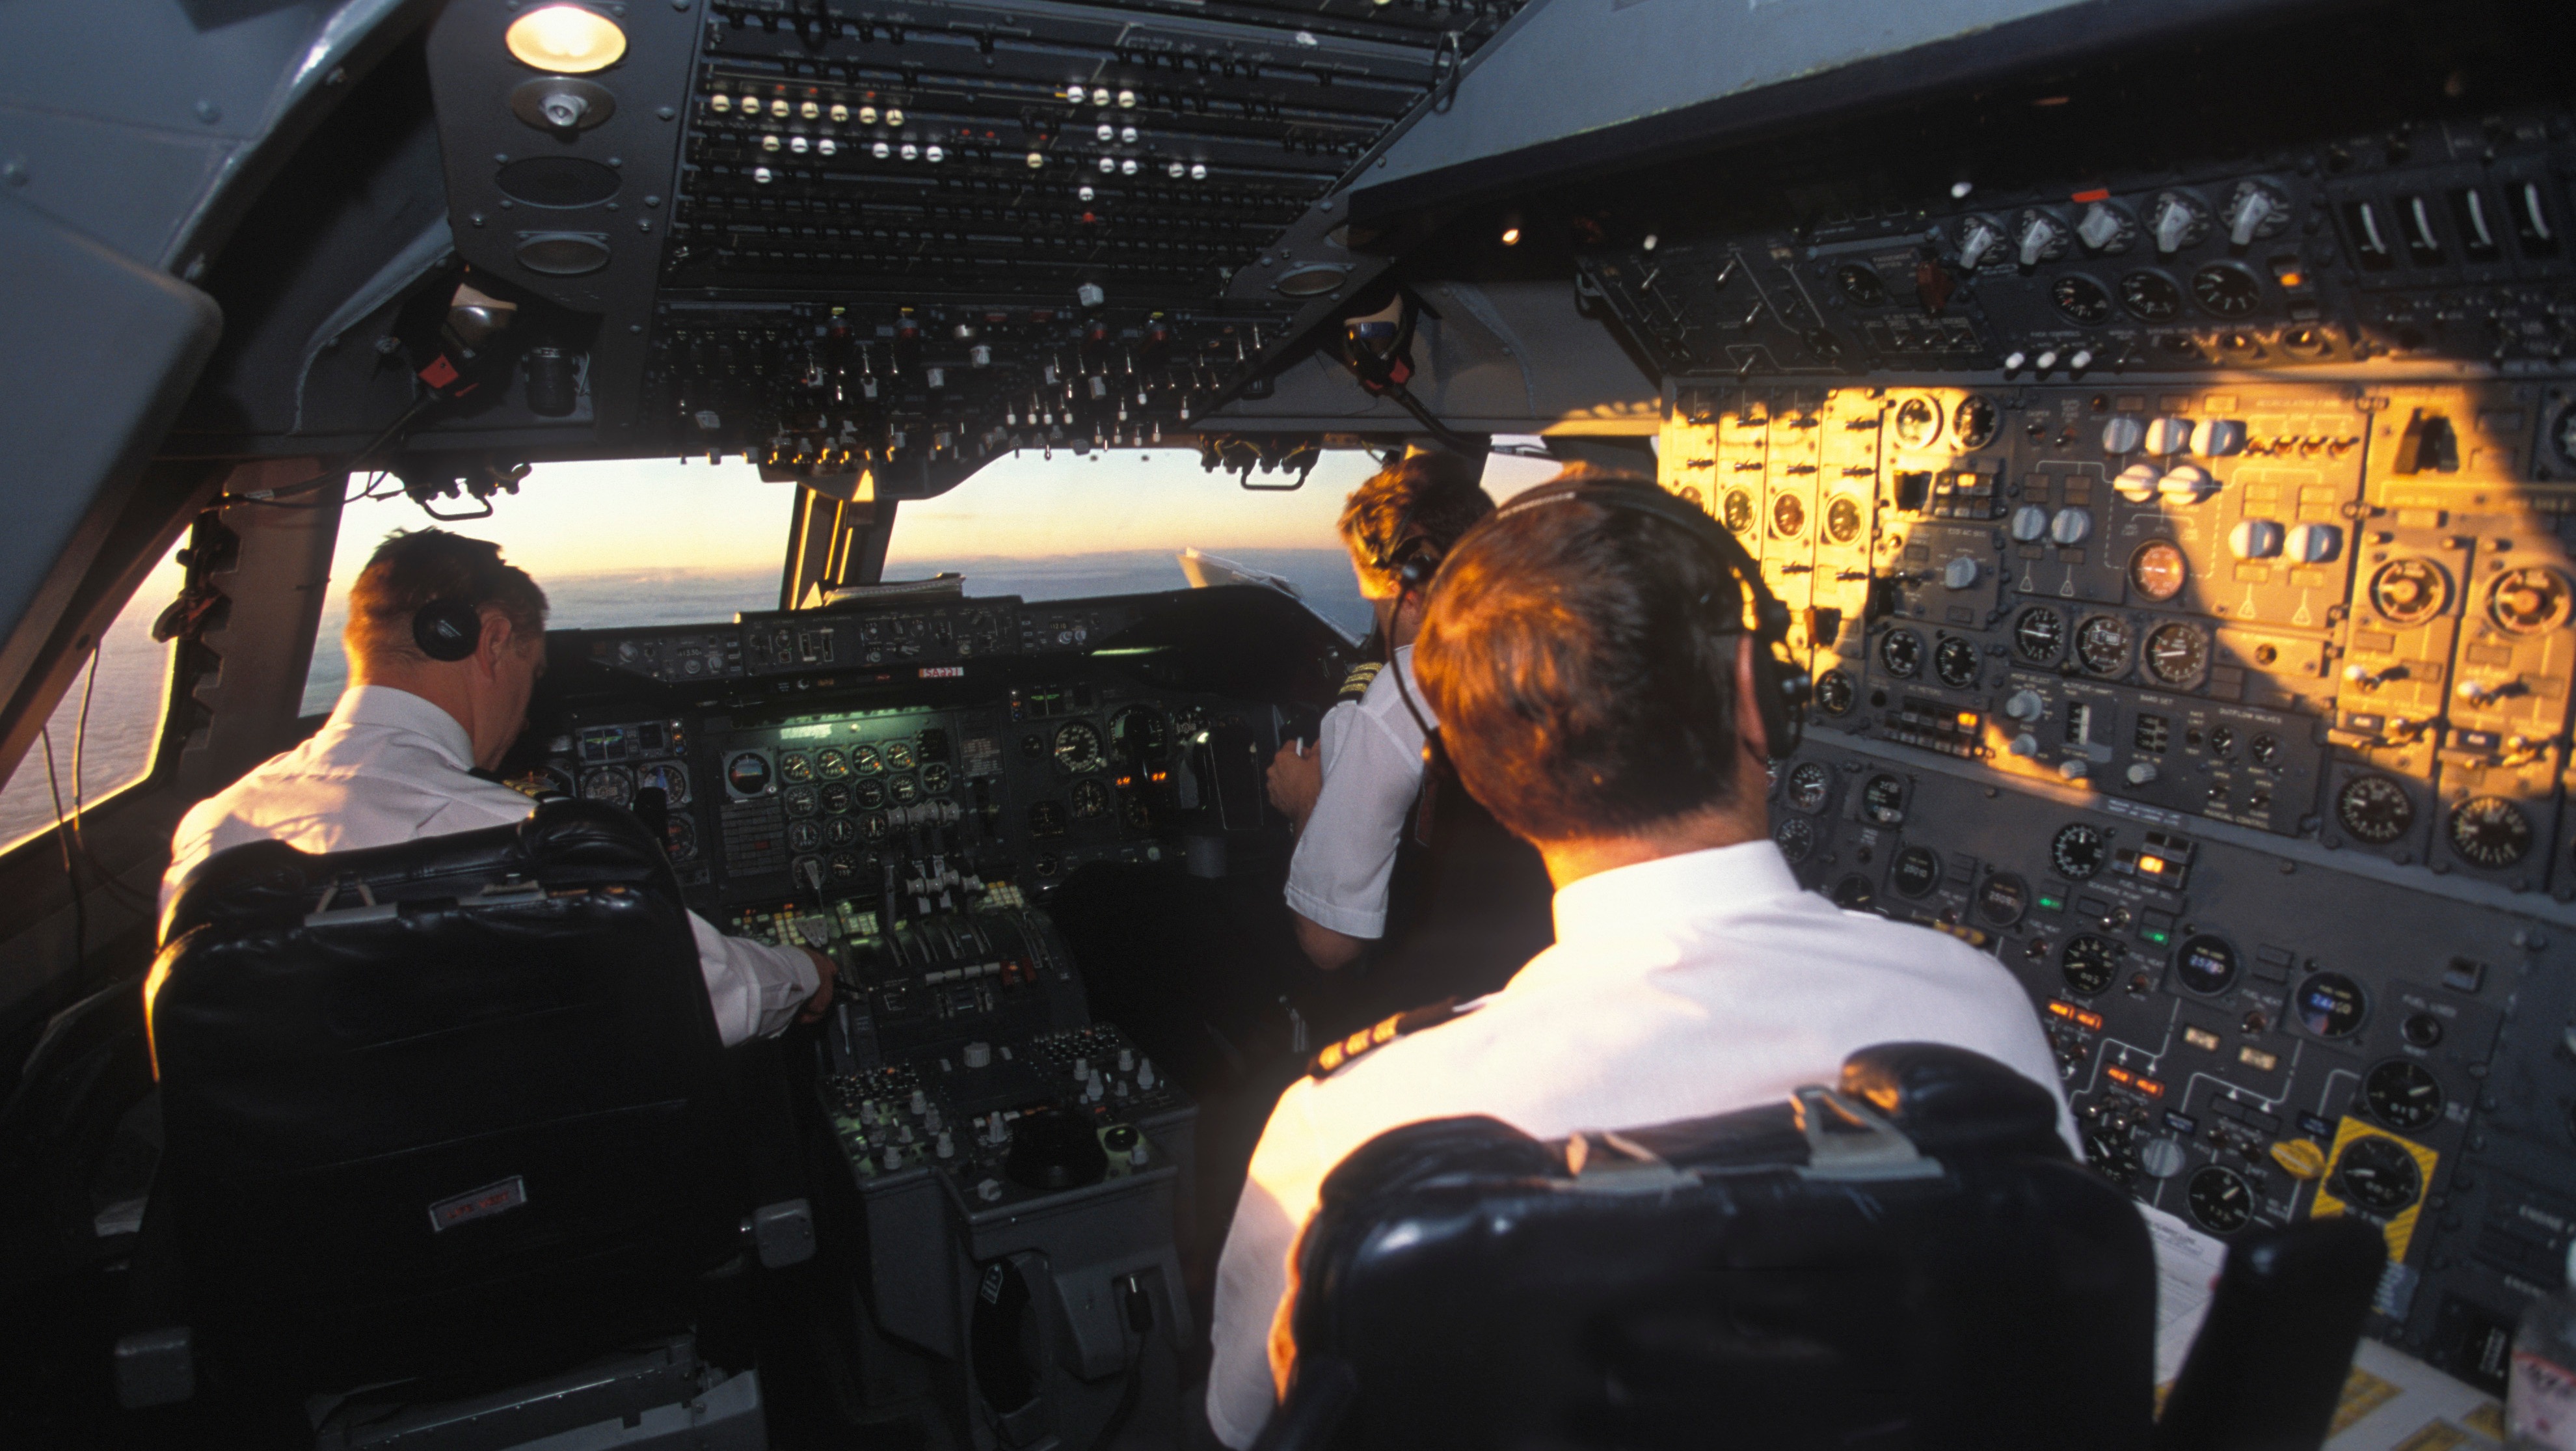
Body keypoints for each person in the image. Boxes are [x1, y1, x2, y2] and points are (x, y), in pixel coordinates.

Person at [1202, 476, 2073, 1448]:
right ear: (1759, 694)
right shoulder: (1973, 1014)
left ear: (1482, 772)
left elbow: (1247, 1419)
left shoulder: (1358, 1127)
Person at [160, 528, 832, 1047]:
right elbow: (717, 995)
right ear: (493, 642)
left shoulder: (214, 830)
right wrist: (806, 971)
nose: (526, 711)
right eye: (531, 673)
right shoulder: (520, 847)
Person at [1263, 452, 1553, 1020]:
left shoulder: (1402, 696)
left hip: (1438, 1006)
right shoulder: (1548, 656)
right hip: (1542, 983)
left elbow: (1329, 945)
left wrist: (1304, 802)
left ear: (1410, 585)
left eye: (1372, 593)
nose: (1372, 610)